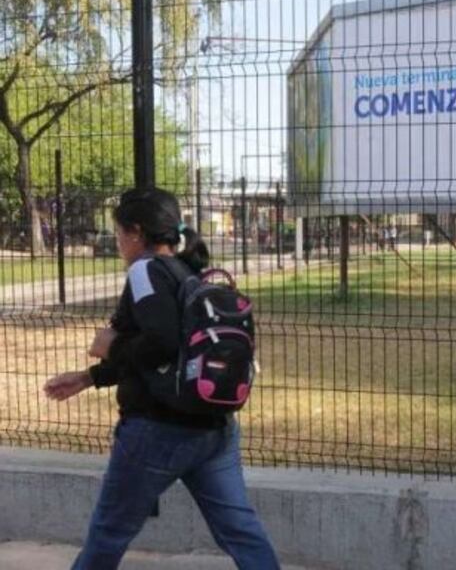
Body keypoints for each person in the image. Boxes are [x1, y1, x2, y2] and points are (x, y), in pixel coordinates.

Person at [44, 187, 280, 570]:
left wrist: (112, 346)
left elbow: (162, 342)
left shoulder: (144, 270)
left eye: (118, 232)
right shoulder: (190, 269)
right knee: (240, 530)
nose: (117, 241)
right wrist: (90, 377)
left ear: (136, 232)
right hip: (213, 429)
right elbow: (170, 352)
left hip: (158, 432)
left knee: (108, 533)